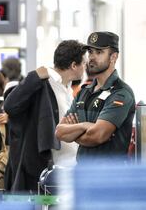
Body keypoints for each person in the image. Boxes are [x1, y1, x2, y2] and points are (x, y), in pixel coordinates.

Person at [3, 40, 86, 193]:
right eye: (84, 63)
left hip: (69, 170)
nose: (86, 67)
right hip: (46, 173)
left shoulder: (68, 89)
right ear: (74, 65)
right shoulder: (42, 84)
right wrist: (34, 76)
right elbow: (10, 106)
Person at [56, 32, 135, 163]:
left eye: (98, 52)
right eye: (90, 52)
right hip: (82, 174)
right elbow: (59, 132)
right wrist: (85, 126)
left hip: (109, 178)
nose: (91, 57)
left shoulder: (121, 93)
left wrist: (75, 133)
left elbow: (98, 135)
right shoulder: (84, 92)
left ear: (113, 57)